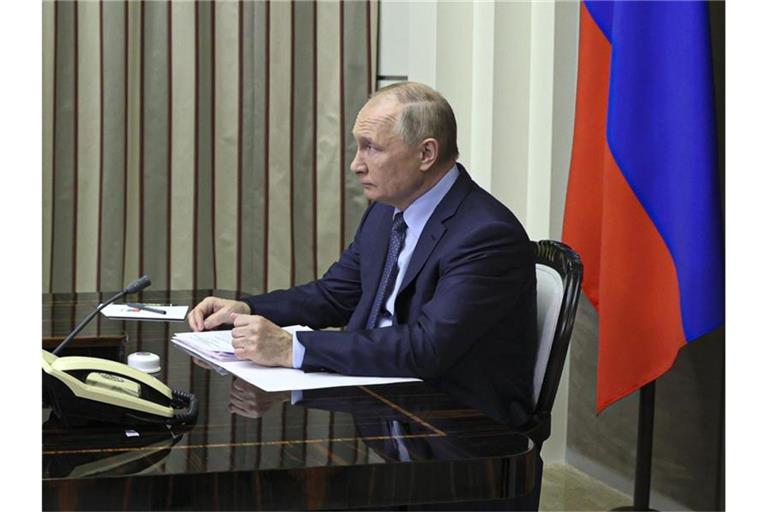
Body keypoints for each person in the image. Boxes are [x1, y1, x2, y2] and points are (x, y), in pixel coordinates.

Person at [188, 81, 537, 428]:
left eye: (371, 148)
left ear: (426, 154)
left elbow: (428, 347)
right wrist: (248, 309)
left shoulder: (485, 235)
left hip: (453, 424)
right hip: (376, 399)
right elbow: (334, 295)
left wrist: (291, 348)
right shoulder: (385, 212)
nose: (356, 164)